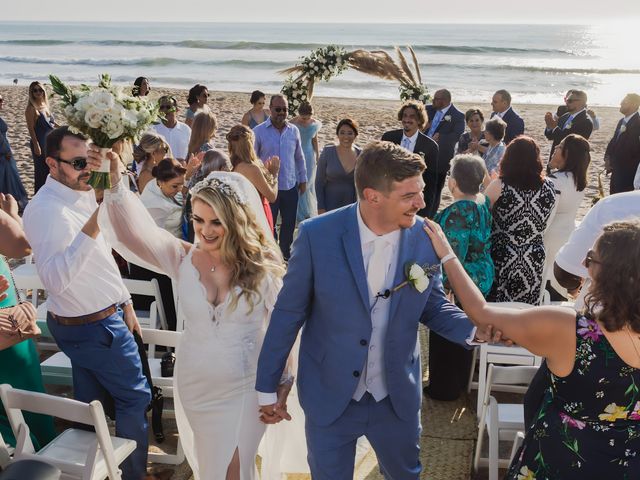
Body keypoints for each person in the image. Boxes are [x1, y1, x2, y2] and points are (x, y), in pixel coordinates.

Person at [256, 141, 497, 479]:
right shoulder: (316, 236)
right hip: (330, 395)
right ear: (372, 196)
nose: (422, 203)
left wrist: (471, 329)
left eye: (422, 192)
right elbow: (287, 314)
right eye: (409, 195)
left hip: (395, 397)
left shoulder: (425, 238)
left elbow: (433, 305)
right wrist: (267, 386)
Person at [97, 153, 298, 478]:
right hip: (196, 385)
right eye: (199, 219)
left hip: (245, 386)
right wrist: (114, 178)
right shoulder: (182, 258)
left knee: (235, 467)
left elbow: (282, 332)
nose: (205, 230)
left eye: (216, 221)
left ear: (236, 220)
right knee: (210, 467)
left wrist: (284, 383)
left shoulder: (264, 272)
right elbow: (128, 233)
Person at [424, 217, 640, 480]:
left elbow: (481, 313)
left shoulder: (569, 330)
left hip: (560, 463)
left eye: (591, 258)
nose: (583, 265)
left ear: (613, 274)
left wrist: (447, 254)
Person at [22, 127, 151, 480]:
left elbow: (99, 259)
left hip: (97, 320)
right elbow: (56, 281)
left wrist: (124, 302)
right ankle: (131, 474)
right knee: (134, 400)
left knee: (90, 408)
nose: (87, 170)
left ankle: (100, 469)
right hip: (93, 327)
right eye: (80, 162)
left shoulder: (76, 194)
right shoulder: (47, 211)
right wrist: (96, 220)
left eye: (90, 160)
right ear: (51, 163)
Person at [426, 154, 494, 401]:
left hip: (462, 282)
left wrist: (445, 287)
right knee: (469, 330)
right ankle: (460, 381)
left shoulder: (458, 211)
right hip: (482, 276)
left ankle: (444, 388)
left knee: (449, 331)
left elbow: (453, 255)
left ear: (453, 182)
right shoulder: (481, 203)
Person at [0, 193, 56, 451]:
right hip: (6, 325)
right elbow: (21, 246)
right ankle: (35, 454)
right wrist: (11, 214)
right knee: (22, 390)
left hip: (7, 320)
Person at [485, 136, 557, 304]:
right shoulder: (549, 186)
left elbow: (480, 213)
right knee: (525, 310)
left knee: (499, 310)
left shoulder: (500, 185)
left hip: (503, 256)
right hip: (533, 255)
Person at [253, 94, 306, 260]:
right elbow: (253, 159)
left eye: (285, 109)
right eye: (278, 109)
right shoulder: (259, 131)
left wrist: (303, 179)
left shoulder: (294, 130)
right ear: (270, 110)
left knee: (289, 224)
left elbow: (299, 156)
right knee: (269, 224)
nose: (281, 112)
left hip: (290, 186)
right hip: (268, 188)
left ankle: (284, 254)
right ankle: (271, 254)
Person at [544, 134, 590, 300]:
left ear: (567, 154)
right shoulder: (579, 180)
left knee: (548, 286)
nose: (555, 149)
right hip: (569, 234)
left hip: (550, 236)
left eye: (560, 147)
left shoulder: (556, 181)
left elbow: (547, 215)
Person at [381, 100, 439, 218]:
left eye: (412, 116)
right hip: (390, 197)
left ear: (419, 120)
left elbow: (431, 185)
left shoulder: (430, 146)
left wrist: (425, 214)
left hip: (413, 201)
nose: (407, 119)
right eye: (405, 116)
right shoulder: (388, 137)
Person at [226, 124, 280, 233]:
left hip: (242, 216)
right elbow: (272, 197)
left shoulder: (232, 165)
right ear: (250, 144)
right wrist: (274, 174)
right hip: (256, 216)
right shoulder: (251, 169)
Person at [425, 89, 465, 217]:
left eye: (436, 99)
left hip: (441, 156)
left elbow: (457, 135)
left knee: (436, 189)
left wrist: (441, 136)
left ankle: (431, 215)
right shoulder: (428, 109)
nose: (433, 101)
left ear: (444, 100)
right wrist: (424, 127)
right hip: (423, 151)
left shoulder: (458, 115)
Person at [183, 149, 233, 243]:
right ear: (221, 169)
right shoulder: (215, 191)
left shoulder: (195, 184)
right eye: (227, 168)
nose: (230, 171)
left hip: (193, 235)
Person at [315, 118, 361, 214]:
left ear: (355, 135)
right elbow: (319, 182)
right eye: (342, 132)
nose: (346, 137)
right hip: (329, 205)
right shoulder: (328, 152)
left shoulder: (361, 154)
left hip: (351, 206)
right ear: (337, 134)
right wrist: (320, 207)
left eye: (350, 133)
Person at [544, 89, 593, 167]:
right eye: (566, 100)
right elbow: (550, 136)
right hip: (554, 160)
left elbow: (571, 141)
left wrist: (554, 127)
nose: (566, 103)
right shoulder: (565, 116)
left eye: (570, 101)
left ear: (581, 102)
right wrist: (549, 126)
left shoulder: (586, 121)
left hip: (570, 164)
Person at [140, 159, 187, 239]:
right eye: (175, 186)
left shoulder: (157, 183)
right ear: (161, 182)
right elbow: (153, 239)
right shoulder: (155, 207)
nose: (179, 189)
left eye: (182, 184)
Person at [291, 102, 322, 222]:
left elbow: (315, 140)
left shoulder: (314, 124)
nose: (305, 120)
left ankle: (307, 210)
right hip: (296, 154)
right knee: (298, 181)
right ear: (299, 114)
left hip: (309, 155)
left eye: (308, 118)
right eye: (303, 118)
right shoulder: (292, 123)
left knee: (308, 182)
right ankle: (297, 210)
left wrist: (317, 155)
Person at [605, 93, 640, 194]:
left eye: (625, 102)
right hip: (616, 170)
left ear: (634, 105)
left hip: (628, 172)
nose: (621, 103)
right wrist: (607, 158)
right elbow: (614, 140)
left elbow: (632, 148)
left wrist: (614, 162)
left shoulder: (638, 123)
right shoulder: (622, 121)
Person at [0, 94, 29, 212]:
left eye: (1, 100)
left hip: (5, 150)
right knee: (8, 177)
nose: (1, 102)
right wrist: (5, 151)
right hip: (3, 153)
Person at [25, 81, 55, 193]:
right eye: (35, 90)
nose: (38, 92)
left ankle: (50, 194)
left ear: (44, 91)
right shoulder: (31, 108)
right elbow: (30, 128)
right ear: (31, 93)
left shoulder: (45, 105)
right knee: (42, 171)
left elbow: (51, 122)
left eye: (40, 90)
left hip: (49, 142)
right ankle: (40, 194)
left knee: (50, 169)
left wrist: (64, 128)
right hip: (40, 142)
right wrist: (36, 144)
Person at [152, 95, 192, 163]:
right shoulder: (153, 129)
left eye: (168, 107)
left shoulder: (186, 129)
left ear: (176, 109)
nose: (165, 110)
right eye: (162, 107)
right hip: (159, 170)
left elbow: (191, 153)